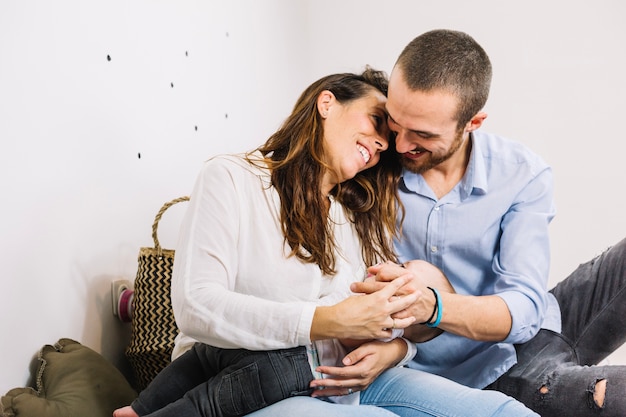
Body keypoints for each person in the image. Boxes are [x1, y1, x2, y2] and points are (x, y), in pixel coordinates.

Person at [113, 67, 537, 417]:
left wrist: (396, 350)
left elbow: (378, 320)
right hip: (246, 384)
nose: (382, 143)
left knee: (502, 411)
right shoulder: (233, 178)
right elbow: (197, 307)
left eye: (385, 141)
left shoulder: (350, 215)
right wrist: (329, 322)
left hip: (348, 379)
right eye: (376, 122)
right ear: (327, 102)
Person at [355, 29, 626, 417]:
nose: (399, 145)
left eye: (423, 134)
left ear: (473, 123)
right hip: (488, 376)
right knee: (612, 396)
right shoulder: (368, 166)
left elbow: (527, 308)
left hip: (539, 326)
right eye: (396, 123)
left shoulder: (521, 173)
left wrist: (433, 306)